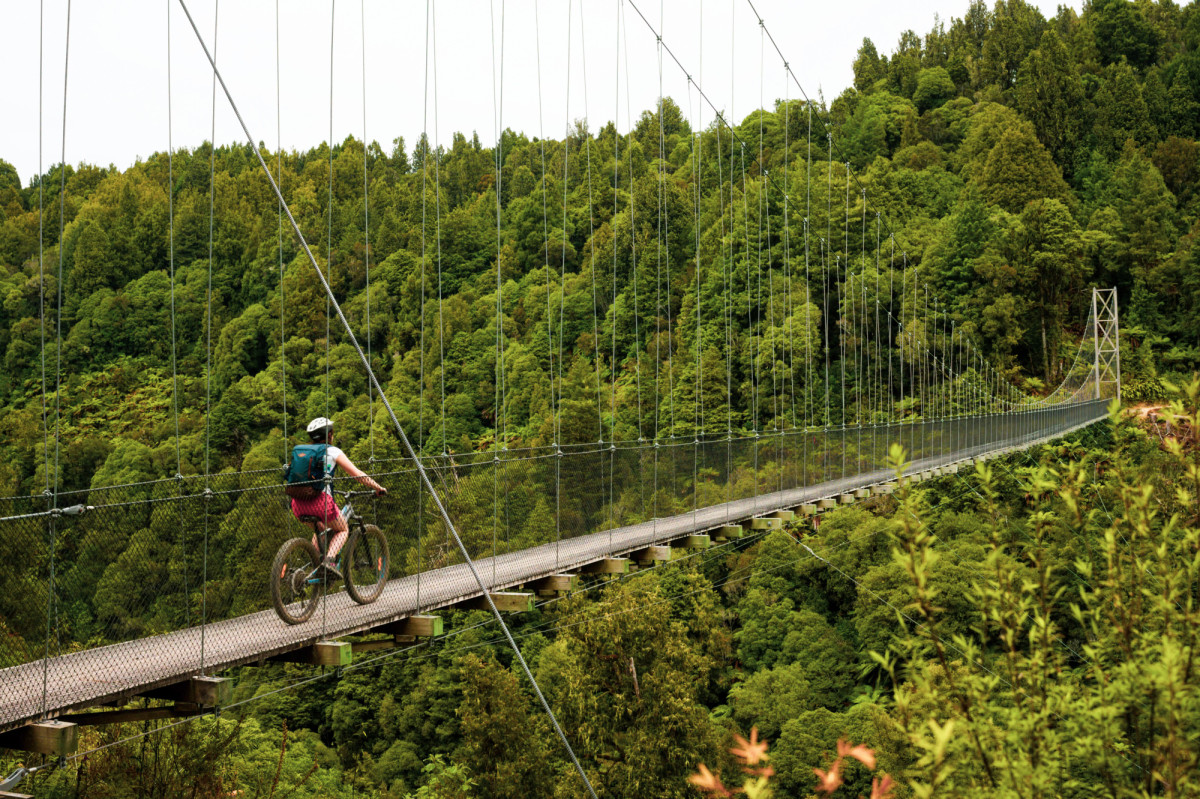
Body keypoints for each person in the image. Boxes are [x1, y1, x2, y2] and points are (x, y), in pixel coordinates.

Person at [291, 416, 387, 576]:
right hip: (320, 503)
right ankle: (329, 562)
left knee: (321, 531)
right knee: (342, 529)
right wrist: (378, 487)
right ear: (329, 435)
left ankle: (313, 568)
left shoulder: (302, 452)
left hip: (298, 503)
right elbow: (358, 475)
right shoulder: (333, 451)